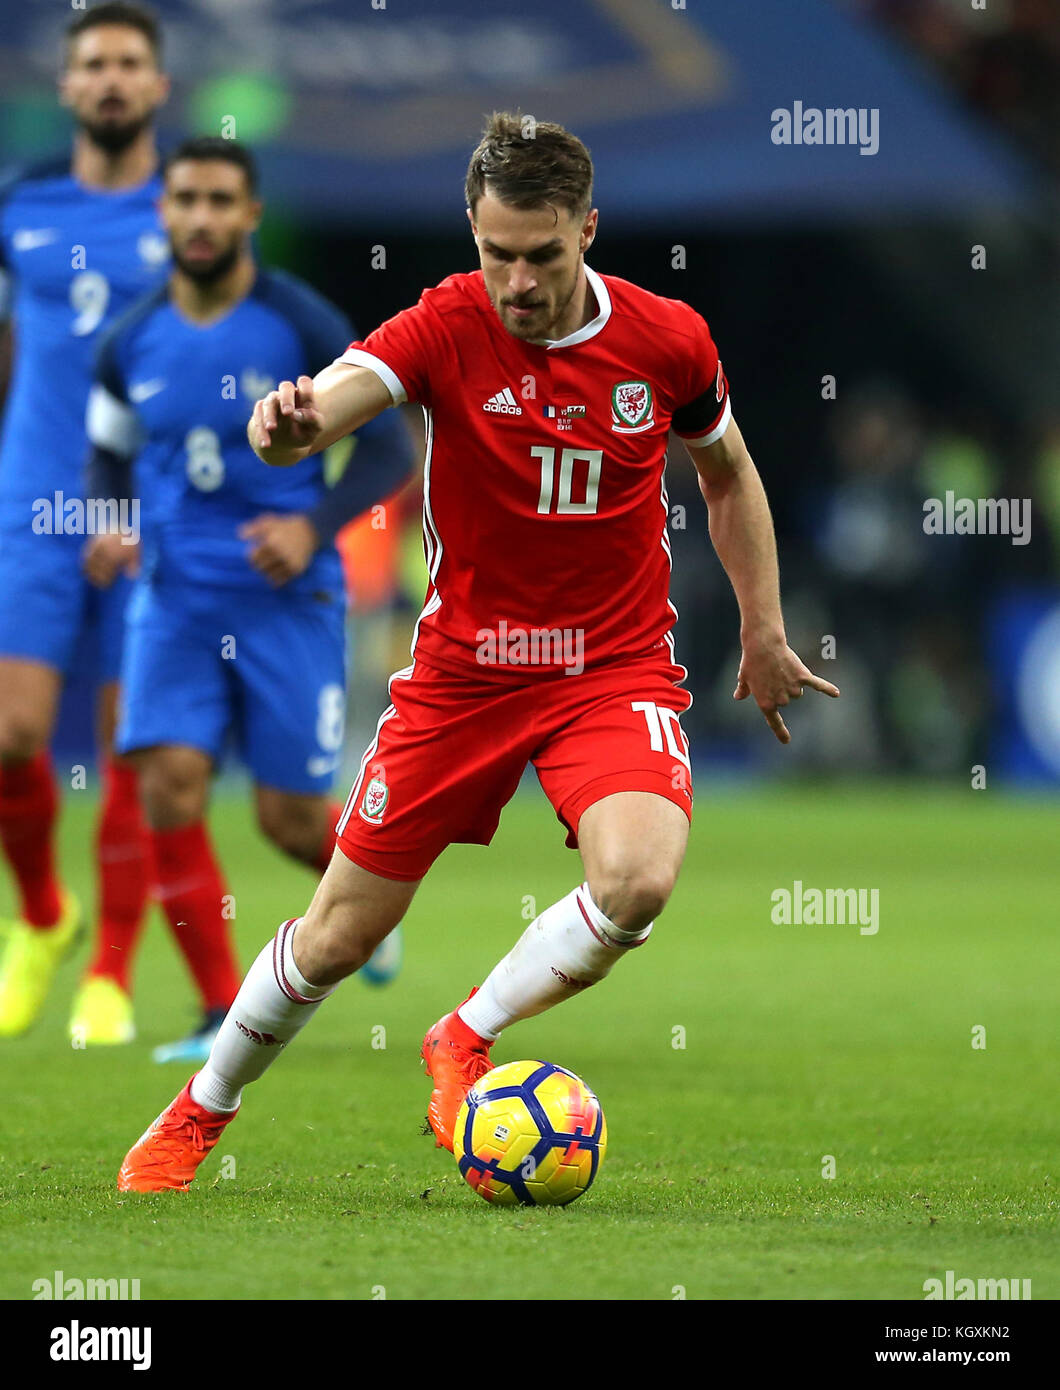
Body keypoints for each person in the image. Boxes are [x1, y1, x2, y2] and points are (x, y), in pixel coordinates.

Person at [117, 113, 838, 1191]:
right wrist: (290, 427)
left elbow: (726, 473)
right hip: (466, 671)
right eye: (495, 253)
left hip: (612, 666)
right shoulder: (447, 326)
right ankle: (198, 1107)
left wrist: (765, 626)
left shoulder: (667, 342)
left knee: (637, 881)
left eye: (541, 255)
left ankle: (463, 1034)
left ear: (587, 230)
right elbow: (342, 394)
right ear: (473, 234)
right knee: (334, 939)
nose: (515, 281)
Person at [84, 137, 414, 1063]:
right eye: (184, 198)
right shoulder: (131, 340)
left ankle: (364, 911)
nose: (200, 217)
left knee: (289, 821)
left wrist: (316, 526)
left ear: (250, 215)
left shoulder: (301, 324)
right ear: (164, 211)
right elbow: (107, 452)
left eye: (219, 200)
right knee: (167, 788)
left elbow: (389, 449)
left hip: (286, 599)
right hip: (175, 600)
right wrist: (112, 522)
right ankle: (215, 1009)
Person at [0, 3, 170, 1042]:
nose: (110, 79)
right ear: (65, 87)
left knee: (129, 747)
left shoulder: (189, 209)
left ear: (157, 86)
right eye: (92, 64)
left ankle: (110, 968)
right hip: (33, 503)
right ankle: (43, 917)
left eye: (128, 64)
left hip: (149, 513)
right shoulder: (19, 208)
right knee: (12, 731)